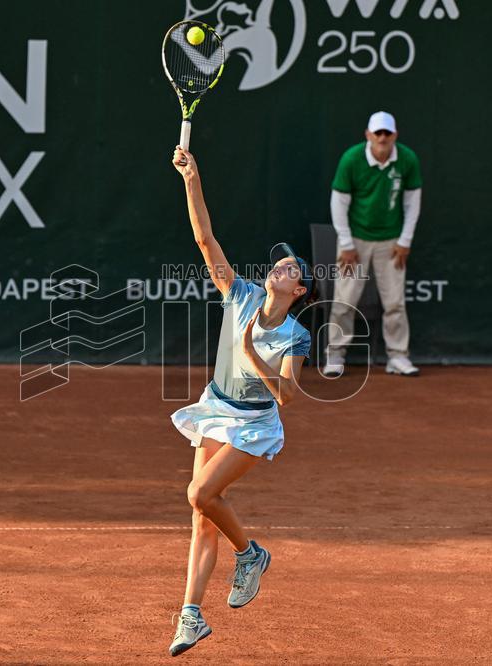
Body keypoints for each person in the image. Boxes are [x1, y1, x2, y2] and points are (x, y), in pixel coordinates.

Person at [166, 145, 312, 657]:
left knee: (199, 493)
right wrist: (192, 178)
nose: (280, 268)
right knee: (202, 513)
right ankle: (191, 615)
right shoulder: (243, 294)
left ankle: (250, 555)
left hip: (255, 425)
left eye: (291, 268)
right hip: (215, 407)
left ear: (299, 289)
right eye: (279, 264)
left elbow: (288, 396)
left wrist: (251, 350)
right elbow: (205, 238)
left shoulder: (296, 336)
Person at [324, 111, 423, 378]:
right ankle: (335, 354)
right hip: (354, 240)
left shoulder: (407, 159)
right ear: (368, 135)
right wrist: (345, 243)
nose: (382, 138)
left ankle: (398, 357)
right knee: (344, 300)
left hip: (391, 241)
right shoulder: (352, 159)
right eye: (377, 133)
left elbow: (412, 203)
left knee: (395, 303)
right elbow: (339, 203)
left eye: (387, 133)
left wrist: (405, 241)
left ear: (395, 136)